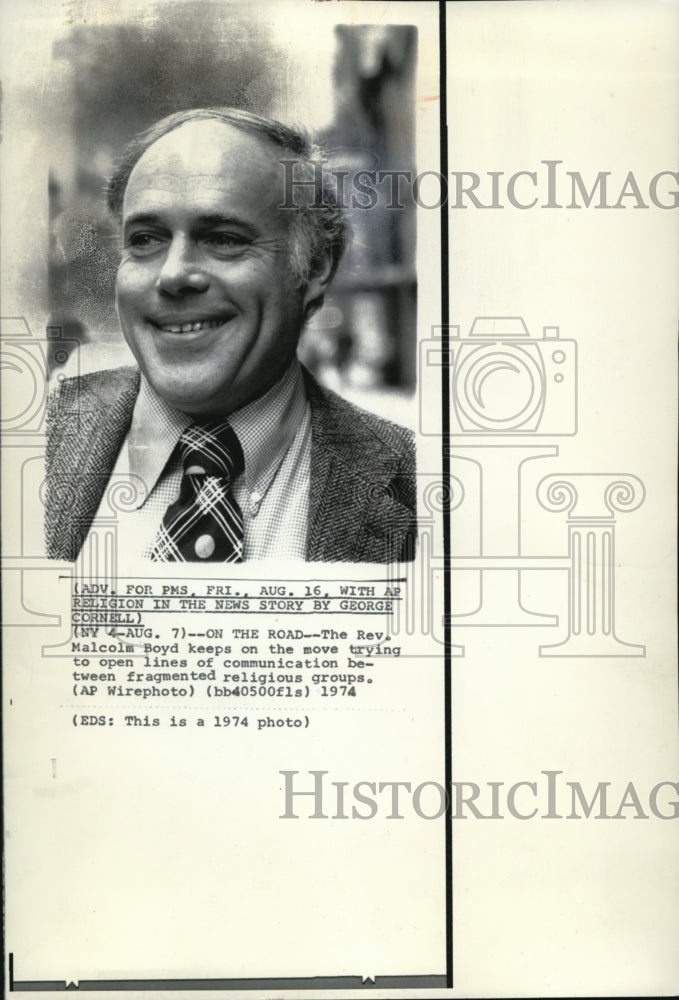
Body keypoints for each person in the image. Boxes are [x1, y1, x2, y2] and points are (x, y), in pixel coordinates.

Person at [45, 107, 416, 563]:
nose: (174, 274)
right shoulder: (28, 437)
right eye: (145, 240)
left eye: (223, 238)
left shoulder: (418, 483)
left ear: (315, 266)